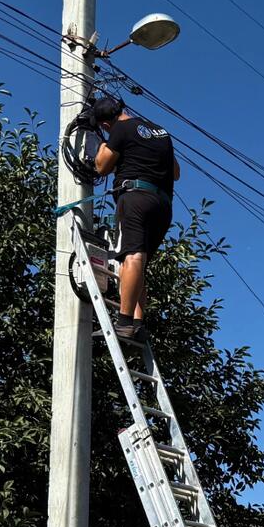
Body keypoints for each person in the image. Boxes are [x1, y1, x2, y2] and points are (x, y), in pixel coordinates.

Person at [91, 96, 180, 342]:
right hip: (163, 205)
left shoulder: (120, 128)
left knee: (132, 257)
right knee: (140, 262)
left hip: (135, 198)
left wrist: (101, 146)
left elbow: (102, 167)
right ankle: (138, 324)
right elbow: (176, 172)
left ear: (106, 124)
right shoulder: (160, 132)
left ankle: (124, 323)